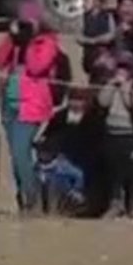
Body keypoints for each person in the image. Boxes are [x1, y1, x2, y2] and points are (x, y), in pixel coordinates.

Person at [0, 3, 59, 214]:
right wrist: (11, 38)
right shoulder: (16, 41)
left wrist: (29, 40)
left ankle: (33, 199)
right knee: (15, 157)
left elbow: (36, 67)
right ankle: (22, 200)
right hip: (10, 105)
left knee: (22, 154)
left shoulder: (46, 43)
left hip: (31, 106)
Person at [34, 87, 104, 216]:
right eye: (73, 100)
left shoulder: (93, 118)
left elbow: (96, 141)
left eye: (79, 100)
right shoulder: (60, 116)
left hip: (85, 159)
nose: (75, 103)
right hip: (61, 157)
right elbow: (47, 135)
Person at [95, 52, 133, 216]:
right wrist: (111, 85)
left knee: (132, 171)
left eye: (125, 68)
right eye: (119, 67)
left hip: (130, 133)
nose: (122, 71)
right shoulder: (110, 84)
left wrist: (123, 89)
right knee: (114, 170)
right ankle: (115, 203)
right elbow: (102, 102)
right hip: (112, 131)